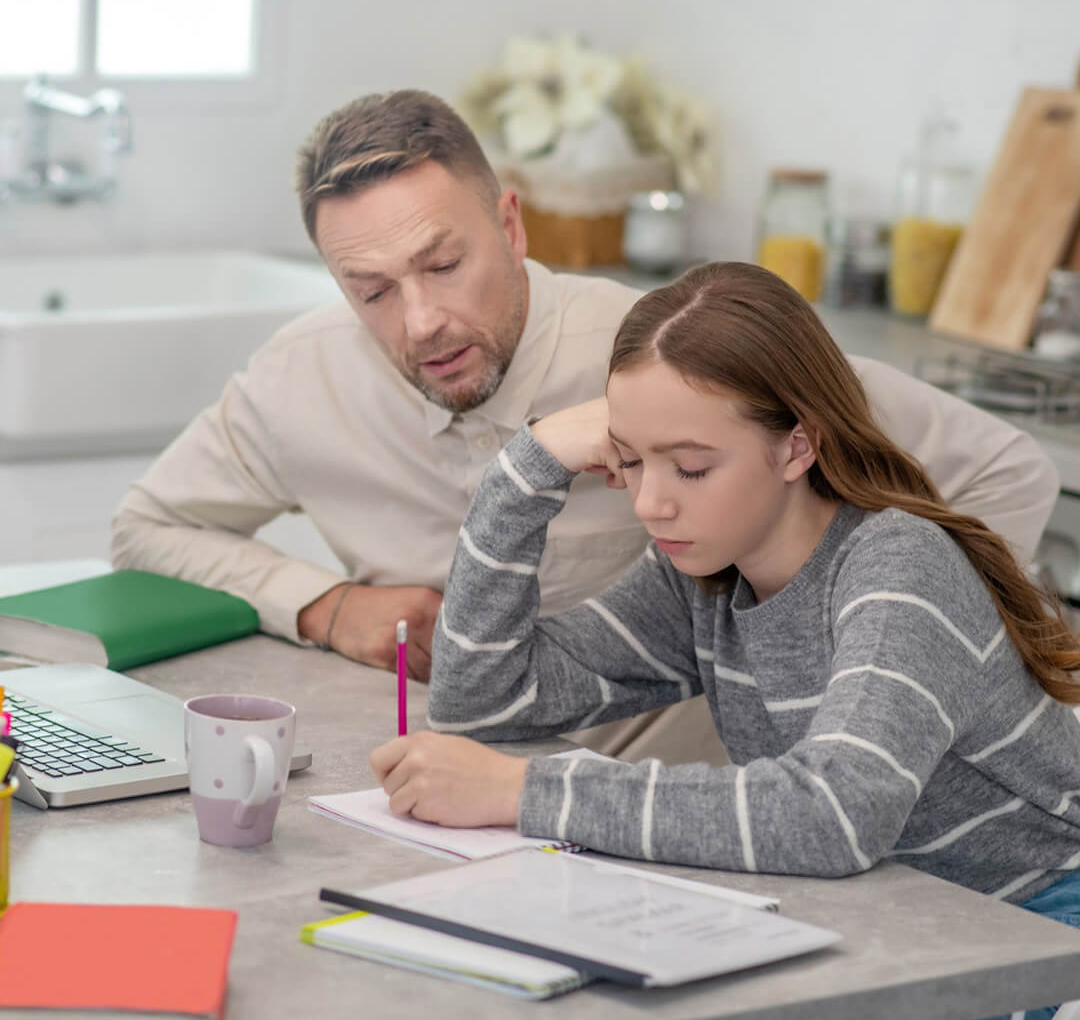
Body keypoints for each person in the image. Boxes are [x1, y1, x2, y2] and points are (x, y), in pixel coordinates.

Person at [111, 90, 1058, 767]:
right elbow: (146, 528)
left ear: (512, 226)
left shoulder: (670, 354)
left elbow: (1005, 472)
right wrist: (325, 604)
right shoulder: (300, 379)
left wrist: (865, 690)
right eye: (371, 291)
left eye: (444, 264)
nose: (420, 322)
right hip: (458, 777)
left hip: (706, 799)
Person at [371, 262, 1080, 1018]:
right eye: (633, 461)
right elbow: (483, 700)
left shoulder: (897, 566)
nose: (652, 502)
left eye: (693, 467)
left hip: (1040, 942)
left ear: (797, 448)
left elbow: (834, 815)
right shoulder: (705, 578)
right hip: (899, 928)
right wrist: (528, 467)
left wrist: (520, 792)